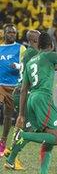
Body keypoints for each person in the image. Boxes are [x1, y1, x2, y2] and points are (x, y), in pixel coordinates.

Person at [6, 32, 57, 174]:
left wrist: (22, 114)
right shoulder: (50, 55)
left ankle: (43, 173)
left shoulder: (32, 61)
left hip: (31, 99)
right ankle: (23, 135)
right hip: (43, 98)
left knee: (47, 137)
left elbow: (24, 89)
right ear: (51, 45)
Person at [4, 30, 40, 170]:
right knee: (29, 126)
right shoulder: (33, 53)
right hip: (23, 92)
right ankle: (13, 156)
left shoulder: (29, 53)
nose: (40, 35)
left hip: (21, 91)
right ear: (34, 38)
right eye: (38, 34)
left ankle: (11, 151)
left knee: (22, 124)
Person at [0, 24, 26, 156]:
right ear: (4, 33)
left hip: (14, 86)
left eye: (14, 33)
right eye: (9, 32)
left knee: (7, 115)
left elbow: (27, 65)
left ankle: (2, 142)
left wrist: (18, 66)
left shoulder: (20, 48)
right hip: (0, 85)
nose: (12, 35)